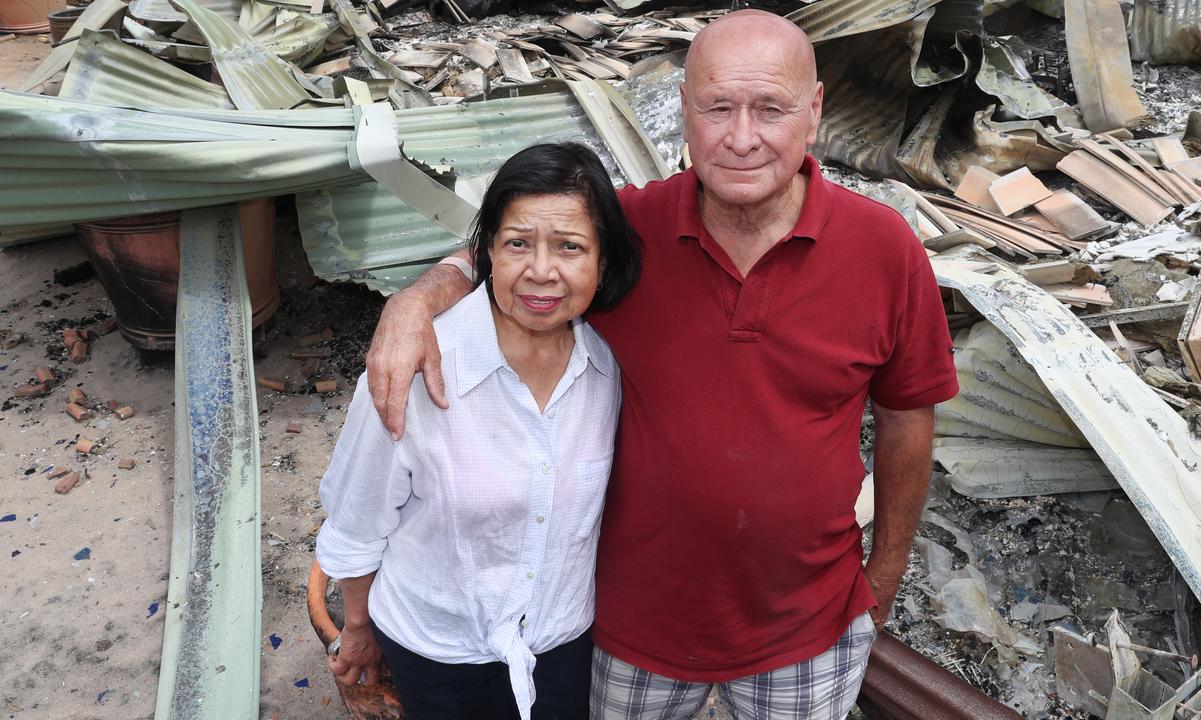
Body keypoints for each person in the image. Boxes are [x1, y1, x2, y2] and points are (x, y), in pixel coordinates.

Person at [362, 10, 959, 720]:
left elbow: (906, 413)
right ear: (684, 112)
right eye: (717, 108)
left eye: (770, 109)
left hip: (809, 627)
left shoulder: (884, 249)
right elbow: (522, 246)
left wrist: (885, 572)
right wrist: (421, 297)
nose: (742, 137)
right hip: (628, 627)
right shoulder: (625, 232)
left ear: (815, 111)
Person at [315, 142, 641, 720]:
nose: (541, 271)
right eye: (518, 243)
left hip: (559, 640)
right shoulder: (411, 371)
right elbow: (357, 521)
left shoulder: (608, 372)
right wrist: (359, 627)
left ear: (604, 262)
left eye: (570, 247)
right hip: (438, 647)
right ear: (487, 250)